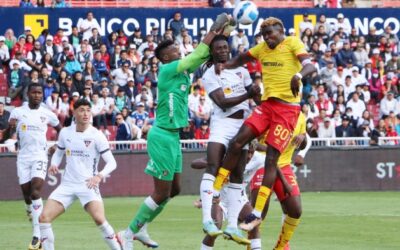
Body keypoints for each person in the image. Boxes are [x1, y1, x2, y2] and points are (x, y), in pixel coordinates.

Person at [117, 13, 232, 249]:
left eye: (179, 49)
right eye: (175, 50)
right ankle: (128, 232)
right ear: (165, 57)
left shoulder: (182, 73)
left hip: (173, 137)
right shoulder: (168, 69)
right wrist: (214, 26)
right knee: (161, 192)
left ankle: (142, 227)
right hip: (161, 135)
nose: (179, 51)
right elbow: (198, 54)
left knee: (175, 189)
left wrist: (225, 31)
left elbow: (206, 54)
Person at [211, 17, 316, 232]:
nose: (268, 38)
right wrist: (223, 65)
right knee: (237, 141)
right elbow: (240, 58)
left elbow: (310, 65)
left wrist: (297, 75)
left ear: (281, 31)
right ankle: (215, 188)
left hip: (287, 110)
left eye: (271, 34)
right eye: (265, 35)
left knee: (271, 159)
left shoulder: (292, 43)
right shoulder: (261, 48)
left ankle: (256, 214)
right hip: (267, 106)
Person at [199, 34, 260, 244]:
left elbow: (256, 96)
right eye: (218, 48)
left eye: (225, 47)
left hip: (241, 125)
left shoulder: (241, 70)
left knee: (237, 175)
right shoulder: (209, 74)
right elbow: (222, 102)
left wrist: (259, 91)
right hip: (222, 124)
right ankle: (207, 219)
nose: (223, 50)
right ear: (212, 52)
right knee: (213, 167)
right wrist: (248, 95)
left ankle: (233, 226)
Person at [38, 99, 120, 250]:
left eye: (88, 110)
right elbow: (59, 152)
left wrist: (99, 176)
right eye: (81, 110)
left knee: (99, 219)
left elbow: (112, 163)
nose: (86, 113)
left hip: (88, 184)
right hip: (67, 184)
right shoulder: (65, 132)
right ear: (74, 112)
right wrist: (54, 163)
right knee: (43, 218)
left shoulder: (97, 135)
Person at [7, 83, 61, 250]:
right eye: (34, 92)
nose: (37, 95)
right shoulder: (17, 112)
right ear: (28, 94)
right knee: (26, 194)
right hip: (23, 157)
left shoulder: (47, 113)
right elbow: (10, 133)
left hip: (40, 156)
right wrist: (11, 129)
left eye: (39, 93)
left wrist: (57, 145)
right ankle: (30, 210)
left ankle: (37, 235)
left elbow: (61, 129)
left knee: (36, 191)